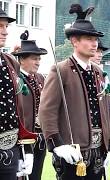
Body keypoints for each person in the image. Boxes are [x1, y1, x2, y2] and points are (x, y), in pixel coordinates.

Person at [38, 4, 110, 180]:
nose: (95, 44)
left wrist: (109, 145)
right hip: (72, 153)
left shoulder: (99, 73)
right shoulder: (60, 70)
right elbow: (46, 111)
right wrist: (56, 144)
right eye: (89, 38)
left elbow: (105, 112)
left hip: (98, 152)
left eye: (96, 40)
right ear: (74, 41)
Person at [0, 8, 37, 180]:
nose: (5, 31)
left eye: (6, 26)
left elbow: (19, 111)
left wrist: (26, 150)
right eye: (0, 26)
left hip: (11, 151)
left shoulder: (10, 62)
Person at [12, 30, 48, 180]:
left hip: (40, 140)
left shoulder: (40, 78)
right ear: (21, 60)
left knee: (36, 176)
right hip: (22, 141)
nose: (38, 62)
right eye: (34, 58)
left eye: (39, 58)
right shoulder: (14, 78)